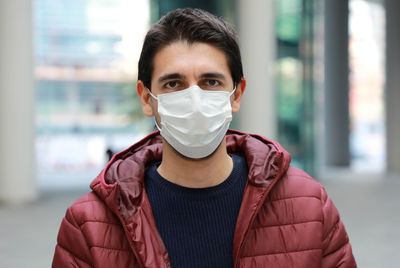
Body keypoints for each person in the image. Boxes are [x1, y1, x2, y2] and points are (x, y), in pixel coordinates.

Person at [52, 8, 356, 268]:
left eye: (211, 81)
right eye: (174, 84)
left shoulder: (309, 208)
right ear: (147, 98)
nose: (194, 99)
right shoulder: (89, 226)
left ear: (236, 95)